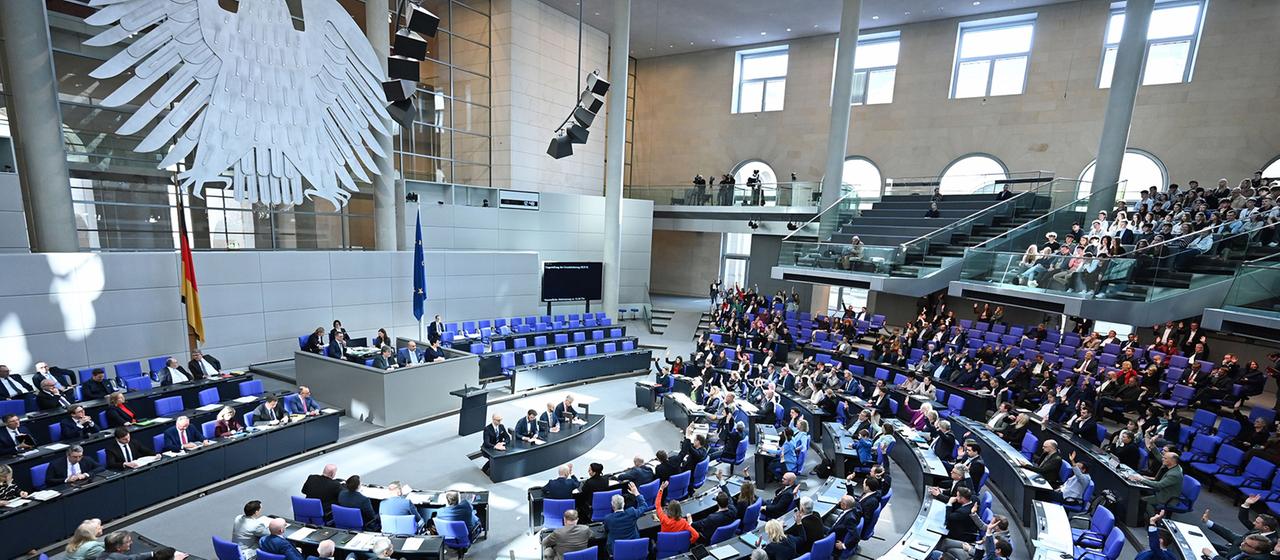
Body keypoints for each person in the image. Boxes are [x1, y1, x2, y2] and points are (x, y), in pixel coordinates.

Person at [1202, 495, 1279, 558]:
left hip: (1236, 556)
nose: (1253, 523)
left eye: (1257, 522)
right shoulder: (1258, 530)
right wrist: (1246, 504)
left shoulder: (1270, 543)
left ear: (1266, 528)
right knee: (1203, 543)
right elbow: (1241, 524)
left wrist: (1213, 555)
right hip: (1232, 550)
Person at [1129, 451, 1184, 516]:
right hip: (1164, 492)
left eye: (1165, 458)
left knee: (1143, 501)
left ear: (1172, 461)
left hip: (1167, 498)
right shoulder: (1174, 467)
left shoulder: (1174, 474)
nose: (1162, 459)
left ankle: (1154, 519)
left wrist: (1141, 479)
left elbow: (1159, 485)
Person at [602, 482, 647, 553]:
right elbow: (644, 506)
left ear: (612, 505)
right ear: (624, 504)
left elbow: (606, 529)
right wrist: (636, 493)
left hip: (617, 549)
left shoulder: (608, 518)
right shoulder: (631, 512)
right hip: (634, 544)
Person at [655, 479, 701, 544]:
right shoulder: (684, 522)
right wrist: (689, 542)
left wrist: (661, 489)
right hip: (679, 544)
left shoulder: (663, 518)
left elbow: (657, 505)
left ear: (669, 509)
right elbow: (696, 535)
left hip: (665, 543)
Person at [101, 531, 186, 560]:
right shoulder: (116, 558)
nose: (131, 543)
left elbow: (132, 558)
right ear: (118, 547)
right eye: (128, 542)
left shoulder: (103, 554)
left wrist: (153, 554)